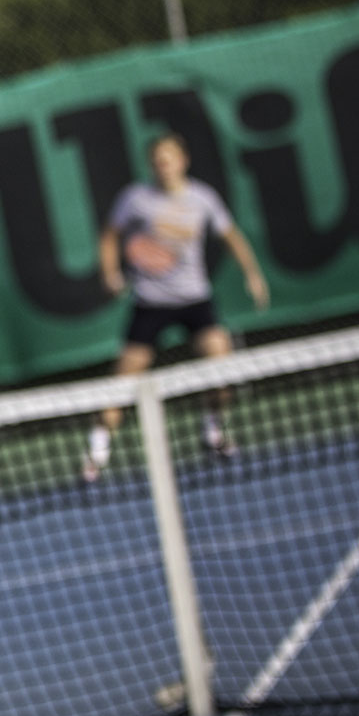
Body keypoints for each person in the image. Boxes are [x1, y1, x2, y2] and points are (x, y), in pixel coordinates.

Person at [84, 132, 269, 483]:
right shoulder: (135, 200)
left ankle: (212, 431)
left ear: (182, 161)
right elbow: (109, 235)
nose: (163, 166)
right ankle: (97, 451)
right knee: (122, 384)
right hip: (150, 305)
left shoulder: (203, 198)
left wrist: (253, 275)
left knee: (222, 370)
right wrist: (109, 273)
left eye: (169, 159)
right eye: (157, 160)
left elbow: (230, 235)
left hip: (195, 301)